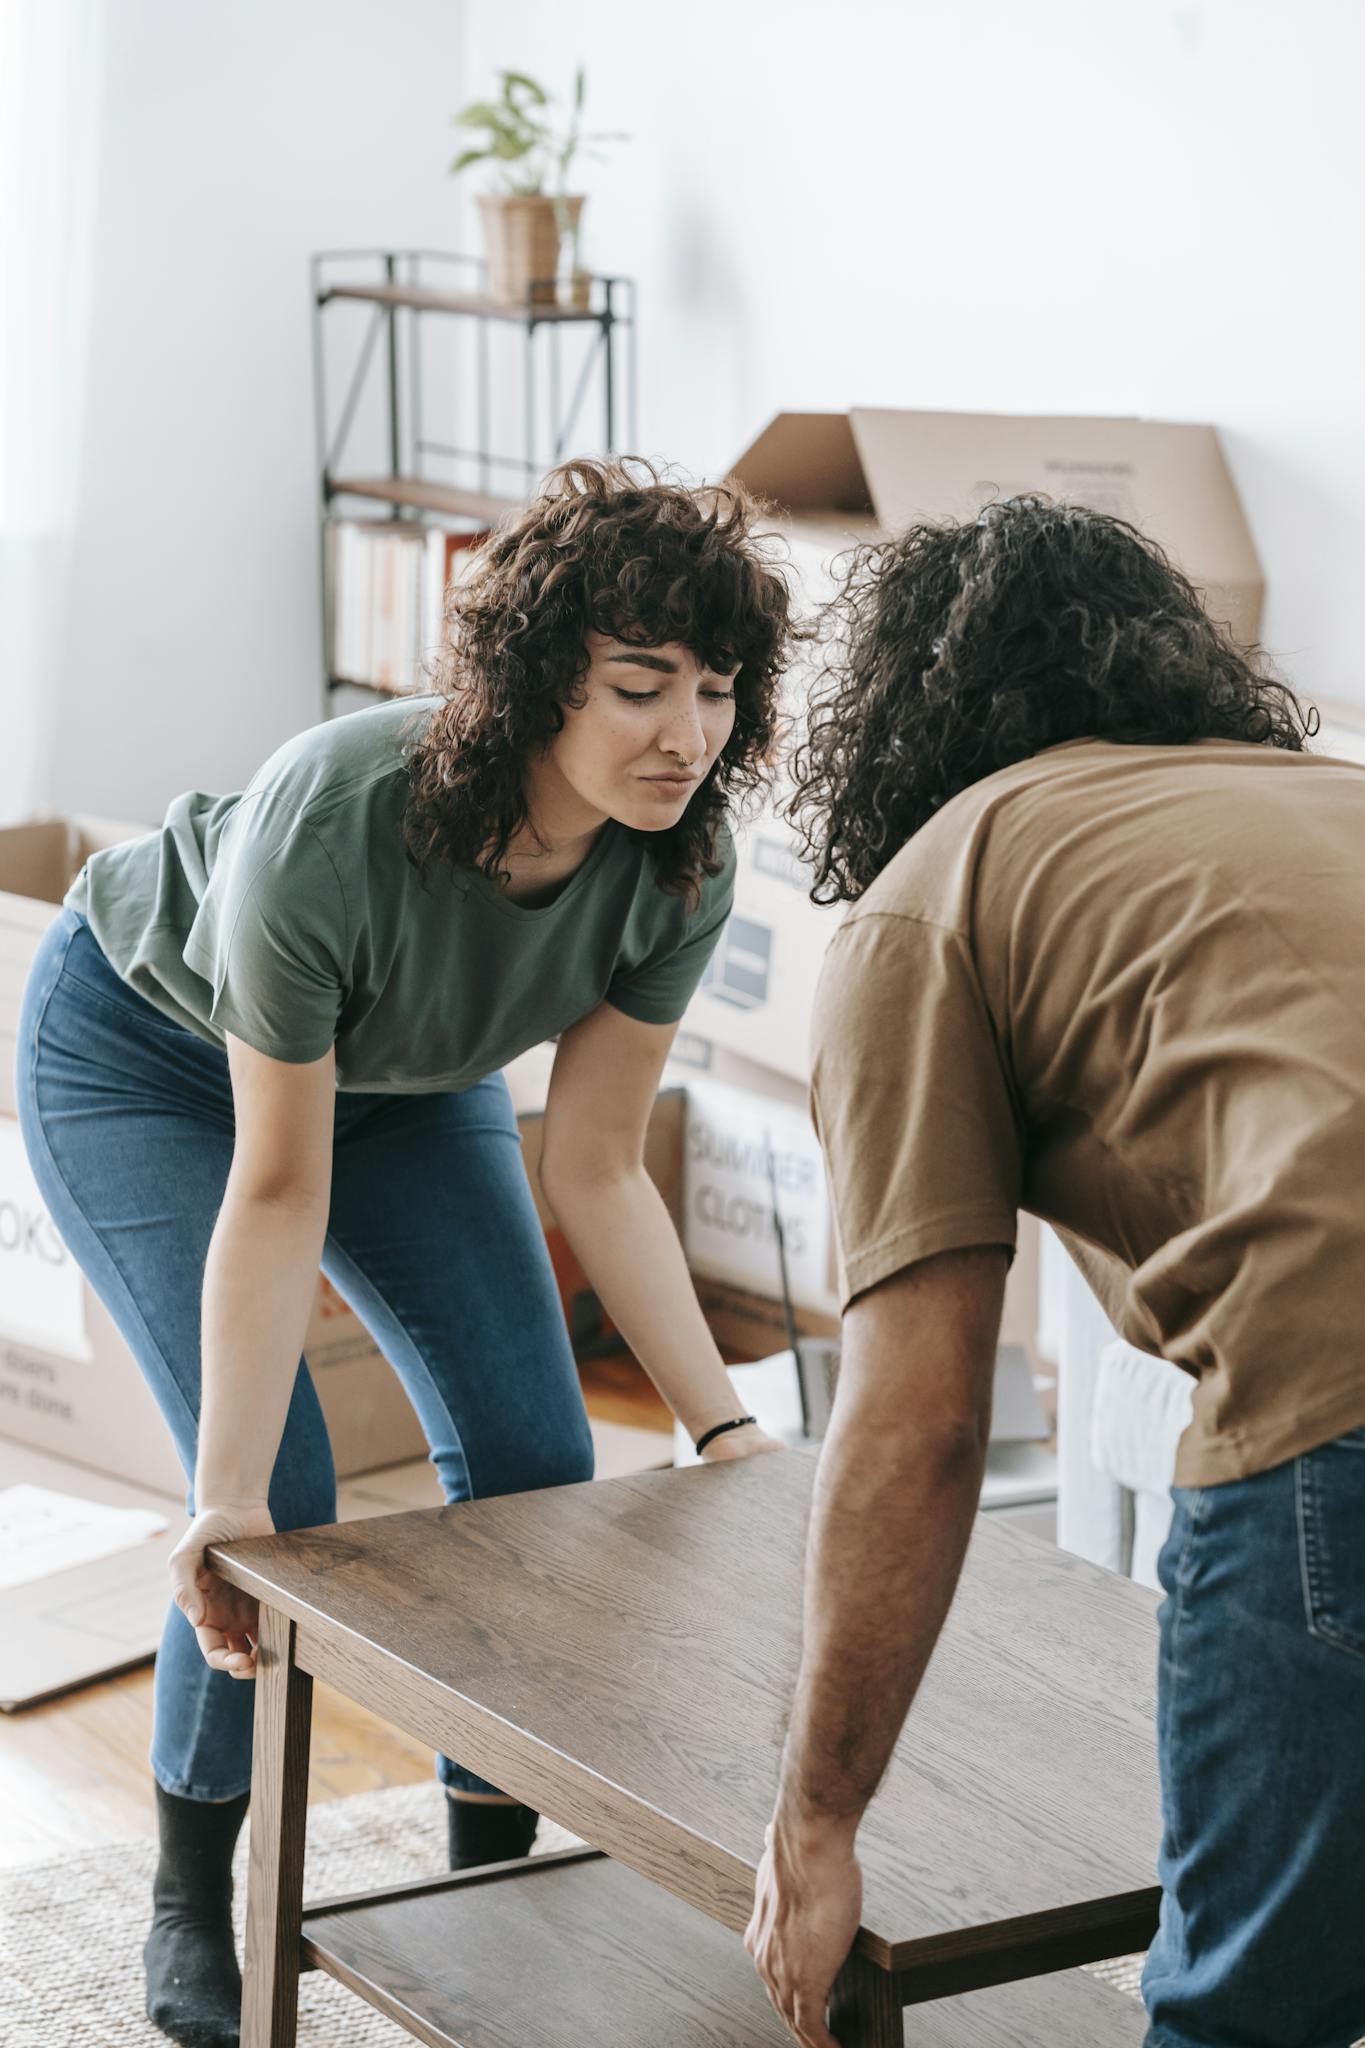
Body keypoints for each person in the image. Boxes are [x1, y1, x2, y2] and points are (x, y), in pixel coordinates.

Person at [16, 458, 789, 2048]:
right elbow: (278, 1183)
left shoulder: (680, 865)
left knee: (533, 1458)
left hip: (407, 1085)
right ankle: (189, 1889)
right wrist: (223, 1495)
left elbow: (593, 1164)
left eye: (715, 692)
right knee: (278, 1508)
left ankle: (481, 1885)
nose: (685, 735)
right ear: (533, 684)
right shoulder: (337, 813)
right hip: (146, 1060)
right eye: (640, 687)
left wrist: (720, 1427)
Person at [743, 498, 1365, 2048]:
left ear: (896, 718)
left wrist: (815, 1819)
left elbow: (918, 1420)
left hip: (1337, 1392)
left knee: (1246, 2017)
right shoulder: (1328, 798)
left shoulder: (933, 890)